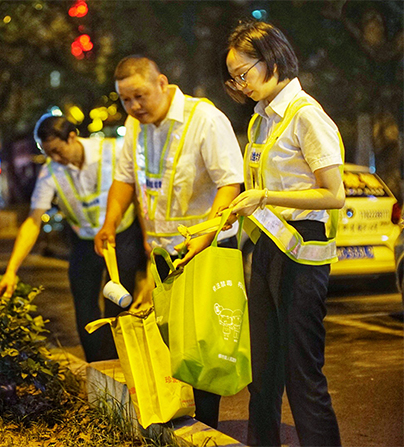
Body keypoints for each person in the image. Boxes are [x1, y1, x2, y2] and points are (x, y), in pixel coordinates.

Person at [94, 55, 244, 429]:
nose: (133, 107)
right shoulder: (134, 126)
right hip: (162, 255)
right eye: (126, 100)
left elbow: (231, 184)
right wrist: (109, 224)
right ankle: (180, 418)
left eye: (139, 96)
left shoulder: (205, 120)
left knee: (203, 344)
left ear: (162, 83)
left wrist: (205, 237)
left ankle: (207, 426)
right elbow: (124, 180)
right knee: (170, 342)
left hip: (204, 251)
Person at [222, 20, 344, 447]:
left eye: (244, 73)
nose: (240, 85)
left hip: (302, 258)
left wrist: (267, 197)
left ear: (271, 60)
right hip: (266, 253)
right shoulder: (260, 121)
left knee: (302, 378)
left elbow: (335, 195)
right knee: (264, 376)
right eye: (234, 78)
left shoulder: (306, 116)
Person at [0, 114, 147, 363]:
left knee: (119, 306)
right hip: (85, 242)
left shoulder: (114, 152)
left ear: (73, 137)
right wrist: (11, 270)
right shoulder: (50, 172)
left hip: (122, 237)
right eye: (48, 154)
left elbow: (141, 196)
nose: (55, 159)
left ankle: (120, 365)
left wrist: (147, 239)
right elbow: (33, 221)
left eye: (57, 150)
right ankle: (98, 367)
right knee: (85, 306)